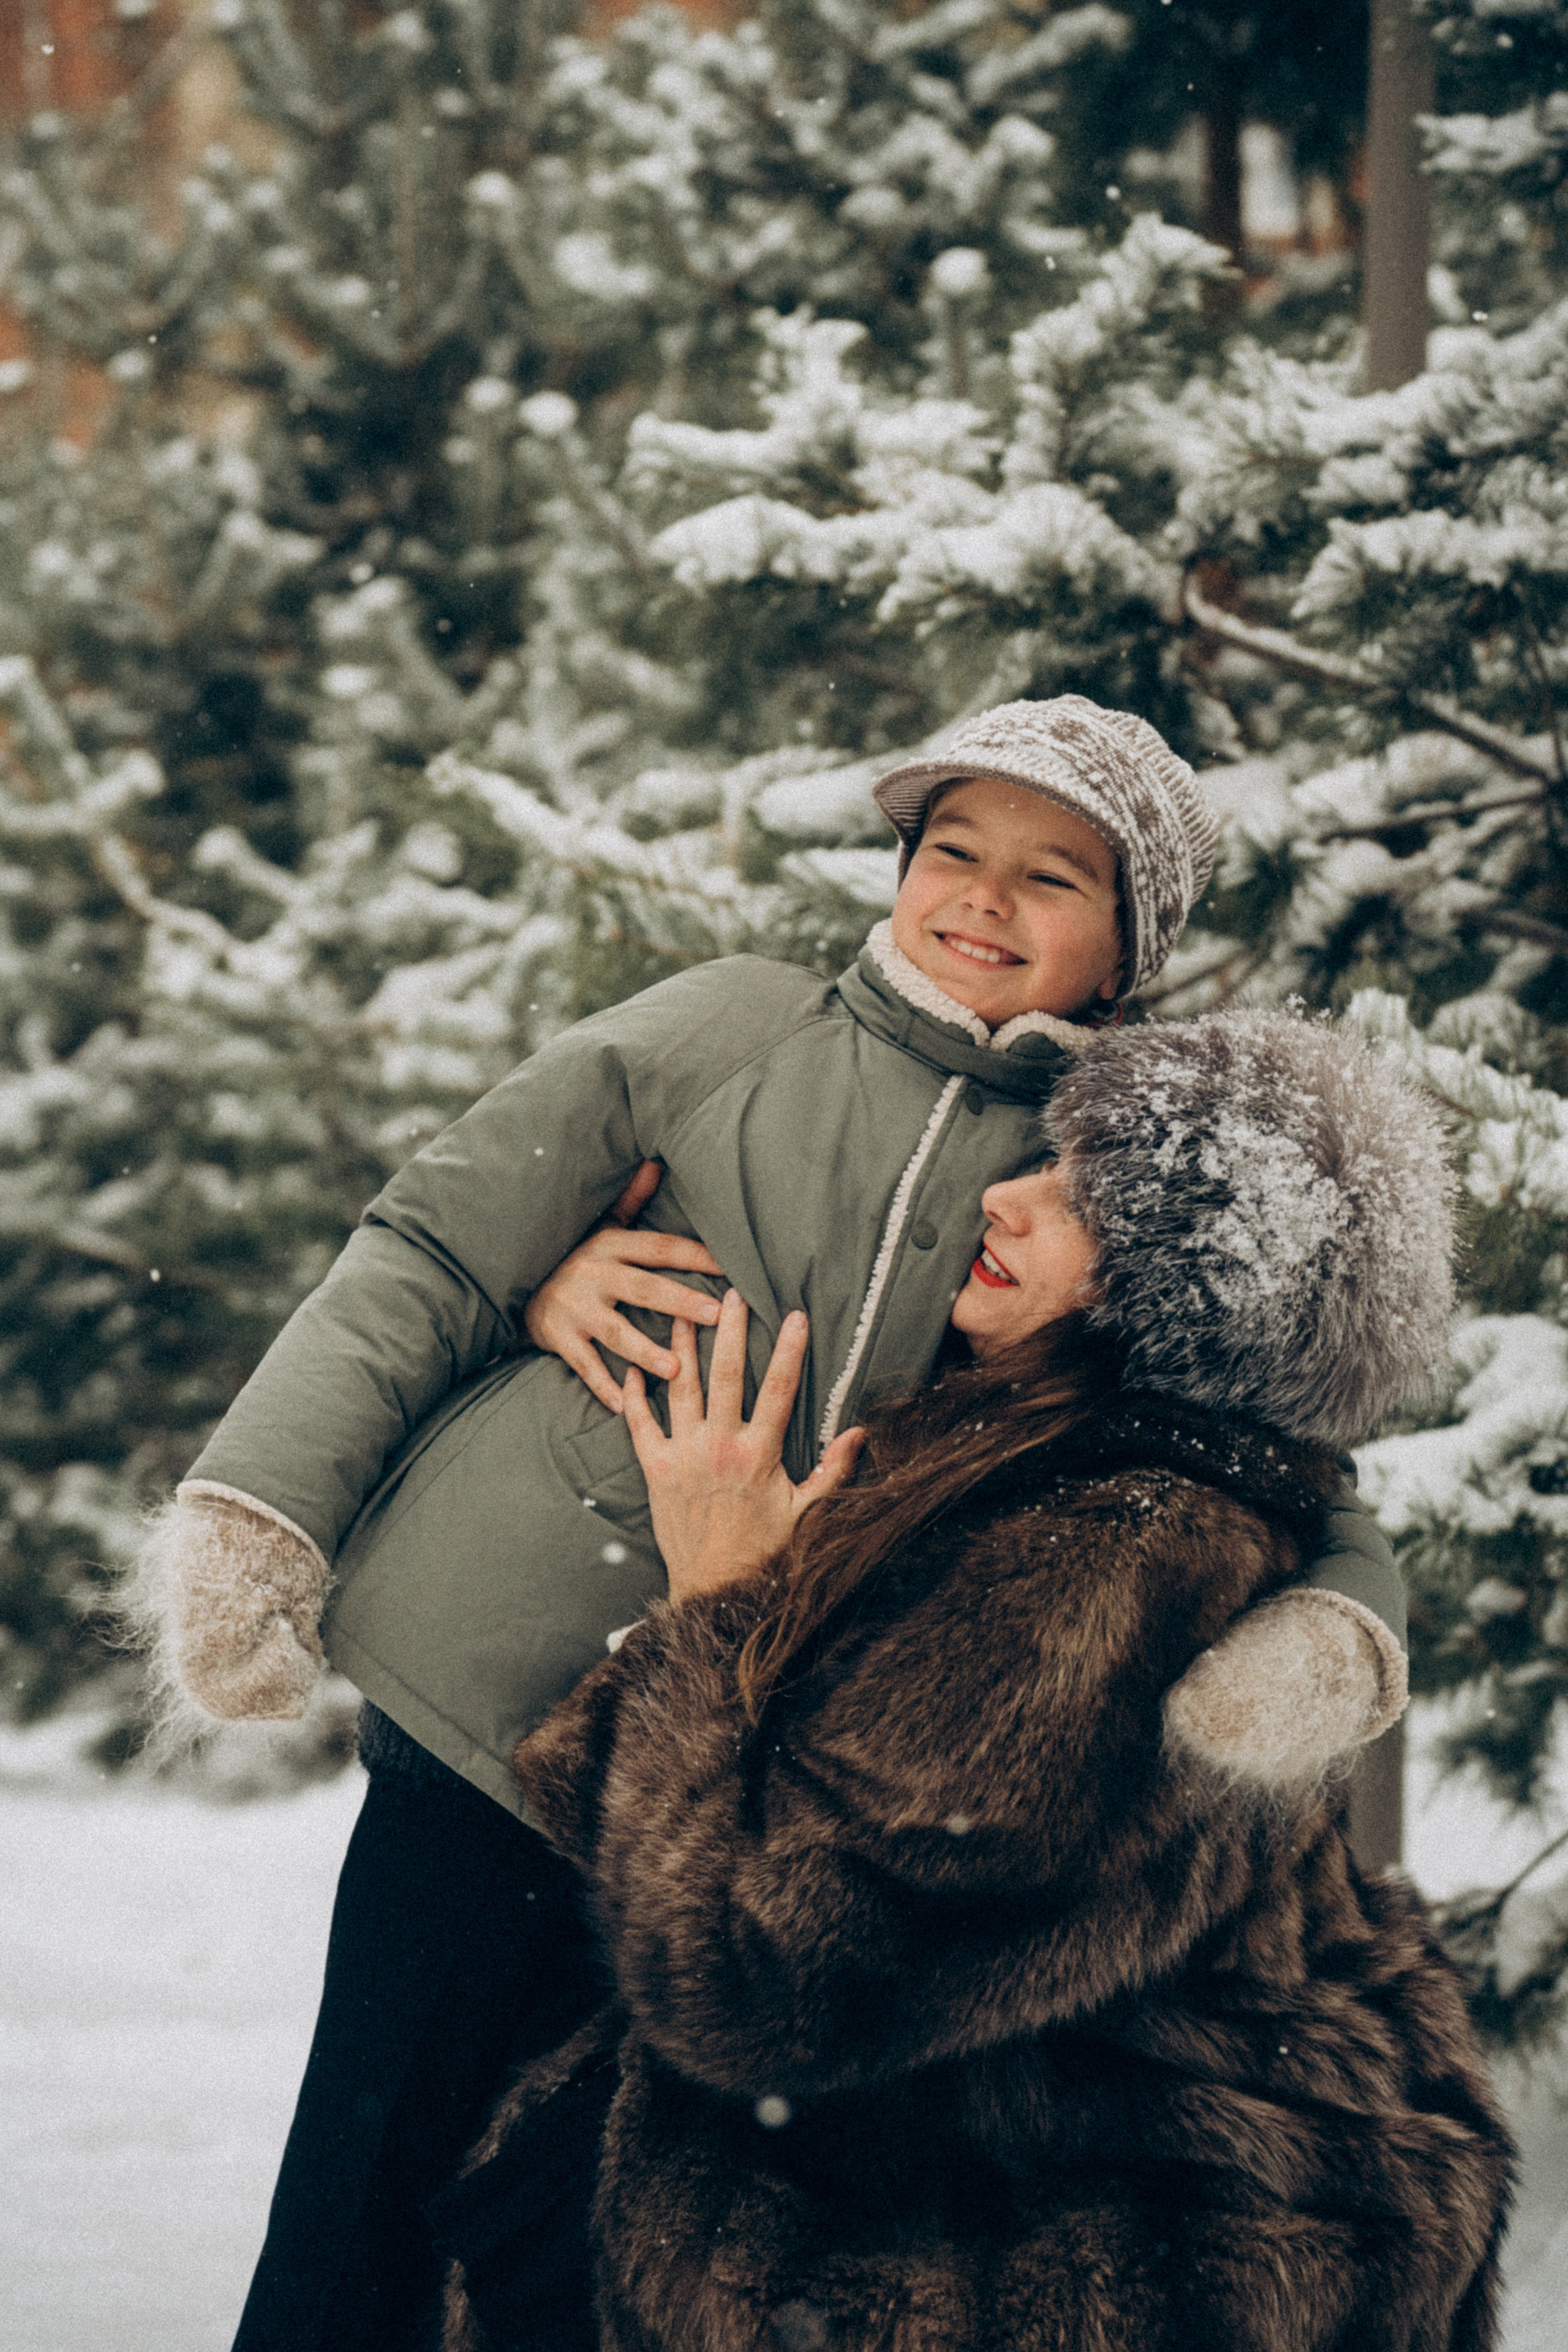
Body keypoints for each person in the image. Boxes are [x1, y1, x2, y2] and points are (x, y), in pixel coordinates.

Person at [129, 701, 1406, 2348]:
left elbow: (1264, 1441)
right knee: (367, 2191)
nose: (983, 899)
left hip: (758, 1797)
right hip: (490, 1706)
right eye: (953, 849)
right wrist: (269, 1500)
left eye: (1052, 878)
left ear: (1130, 943)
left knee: (589, 2244)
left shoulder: (1110, 1160)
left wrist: (1335, 1622)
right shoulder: (728, 1025)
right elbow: (436, 1243)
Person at [443, 1009, 1513, 2352]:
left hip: (1029, 2253)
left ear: (1181, 1289)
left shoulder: (1105, 1564)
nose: (1004, 1200)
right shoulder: (1056, 1471)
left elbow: (755, 1982)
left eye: (1079, 1200)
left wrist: (716, 1606)